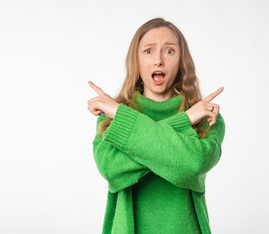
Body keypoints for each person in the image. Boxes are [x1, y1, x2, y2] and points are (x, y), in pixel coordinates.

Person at [87, 17, 225, 234]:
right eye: (148, 51)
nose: (158, 60)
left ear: (181, 60)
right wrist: (184, 121)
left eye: (169, 51)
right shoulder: (109, 117)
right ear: (137, 60)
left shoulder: (206, 116)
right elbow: (112, 169)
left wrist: (121, 117)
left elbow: (194, 163)